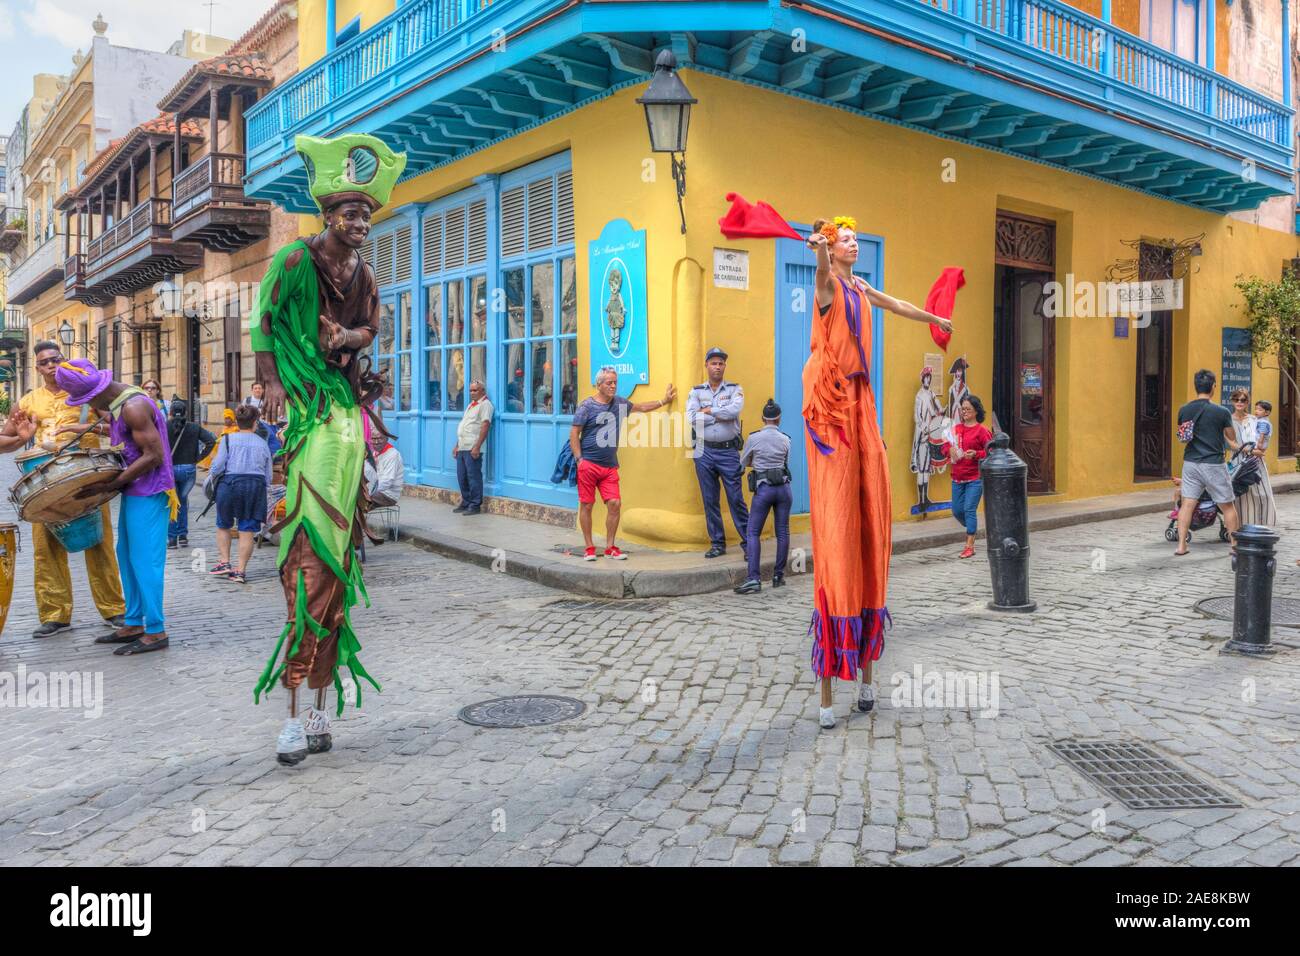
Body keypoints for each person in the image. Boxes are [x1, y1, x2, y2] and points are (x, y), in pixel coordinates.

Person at [251, 132, 405, 766]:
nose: (361, 223)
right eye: (351, 214)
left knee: (331, 590)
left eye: (367, 214)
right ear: (328, 216)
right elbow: (263, 320)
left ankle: (314, 716)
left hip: (341, 411)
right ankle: (294, 720)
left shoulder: (363, 272)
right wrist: (268, 382)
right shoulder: (294, 262)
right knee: (308, 582)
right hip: (311, 405)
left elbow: (372, 326)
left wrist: (348, 334)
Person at [803, 216, 954, 729]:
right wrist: (820, 248)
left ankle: (867, 680)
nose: (851, 242)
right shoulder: (827, 284)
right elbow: (821, 270)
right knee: (840, 538)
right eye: (844, 237)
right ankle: (826, 696)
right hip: (834, 406)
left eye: (851, 238)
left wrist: (936, 317)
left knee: (871, 526)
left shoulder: (863, 288)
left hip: (864, 406)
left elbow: (898, 306)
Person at [0, 340, 126, 638]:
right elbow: (3, 442)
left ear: (64, 360)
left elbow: (119, 427)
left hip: (87, 481)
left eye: (56, 359)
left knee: (100, 545)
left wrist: (87, 429)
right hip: (45, 487)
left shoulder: (88, 394)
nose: (51, 366)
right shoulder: (28, 402)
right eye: (44, 362)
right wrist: (22, 439)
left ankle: (114, 609)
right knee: (46, 550)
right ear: (37, 368)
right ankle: (55, 614)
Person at [54, 359, 176, 656]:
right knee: (127, 556)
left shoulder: (133, 407)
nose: (89, 404)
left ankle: (156, 630)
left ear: (97, 391)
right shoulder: (121, 402)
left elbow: (154, 455)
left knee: (146, 561)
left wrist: (111, 483)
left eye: (87, 400)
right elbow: (125, 438)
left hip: (152, 490)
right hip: (136, 489)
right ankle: (134, 622)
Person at [570, 365, 676, 561]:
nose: (613, 386)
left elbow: (641, 407)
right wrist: (580, 460)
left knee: (615, 504)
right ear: (599, 384)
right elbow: (574, 433)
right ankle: (589, 547)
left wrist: (664, 400)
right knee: (586, 505)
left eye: (615, 382)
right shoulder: (587, 406)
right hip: (588, 465)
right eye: (609, 383)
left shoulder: (620, 403)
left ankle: (610, 547)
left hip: (609, 465)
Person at [686, 347, 750, 558]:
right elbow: (692, 419)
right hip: (703, 452)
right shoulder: (696, 392)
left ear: (724, 366)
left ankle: (749, 542)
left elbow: (734, 411)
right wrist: (719, 415)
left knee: (735, 498)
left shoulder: (734, 389)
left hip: (728, 452)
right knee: (710, 499)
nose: (717, 366)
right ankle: (717, 543)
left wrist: (709, 411)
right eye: (713, 362)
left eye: (721, 363)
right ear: (707, 365)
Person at [1174, 369, 1241, 556]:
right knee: (1227, 505)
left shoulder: (1184, 409)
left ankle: (1181, 546)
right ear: (1213, 386)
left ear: (1196, 387)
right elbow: (1231, 438)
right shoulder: (1221, 411)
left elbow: (1183, 434)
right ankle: (1235, 546)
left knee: (1187, 504)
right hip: (1213, 463)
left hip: (1191, 462)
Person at [208, 404, 273, 585]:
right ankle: (240, 571)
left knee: (223, 524)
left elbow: (218, 466)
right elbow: (268, 474)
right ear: (255, 423)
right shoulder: (262, 443)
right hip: (255, 485)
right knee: (247, 530)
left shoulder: (228, 439)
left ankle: (224, 562)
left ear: (237, 422)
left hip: (230, 483)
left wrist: (212, 477)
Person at [734, 399, 792, 594]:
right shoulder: (786, 439)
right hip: (783, 488)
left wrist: (756, 462)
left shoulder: (754, 438)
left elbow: (743, 463)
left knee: (753, 532)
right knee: (782, 531)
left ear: (762, 418)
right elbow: (785, 461)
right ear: (779, 419)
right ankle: (778, 575)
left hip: (764, 488)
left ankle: (753, 578)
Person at [166, 399, 217, 549]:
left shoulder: (163, 426)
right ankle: (183, 536)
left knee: (172, 503)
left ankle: (172, 539)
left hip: (171, 469)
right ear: (186, 413)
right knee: (182, 501)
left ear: (170, 413)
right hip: (189, 468)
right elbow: (211, 441)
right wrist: (199, 458)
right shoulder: (194, 427)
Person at [949, 395, 992, 558]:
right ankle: (971, 529)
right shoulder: (956, 429)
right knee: (957, 511)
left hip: (975, 478)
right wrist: (949, 450)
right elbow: (947, 446)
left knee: (969, 509)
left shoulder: (982, 431)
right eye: (963, 409)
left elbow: (991, 452)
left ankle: (969, 545)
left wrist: (976, 454)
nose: (964, 412)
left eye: (968, 409)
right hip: (957, 477)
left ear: (976, 411)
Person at [1227, 389, 1277, 527]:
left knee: (1262, 493)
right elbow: (1230, 442)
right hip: (1238, 459)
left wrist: (1260, 450)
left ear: (1247, 402)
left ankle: (1261, 524)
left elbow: (1263, 436)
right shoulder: (1228, 420)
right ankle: (1240, 525)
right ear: (1232, 401)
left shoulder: (1254, 419)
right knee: (1241, 494)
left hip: (1255, 460)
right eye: (1236, 399)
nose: (1239, 402)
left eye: (1243, 400)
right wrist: (1249, 450)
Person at [452, 380, 493, 515]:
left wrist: (477, 446)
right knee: (461, 476)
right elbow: (465, 426)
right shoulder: (470, 405)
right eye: (470, 390)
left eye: (475, 390)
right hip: (463, 446)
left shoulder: (485, 405)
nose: (472, 393)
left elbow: (485, 425)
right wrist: (457, 445)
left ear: (482, 391)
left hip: (473, 447)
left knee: (473, 476)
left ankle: (475, 505)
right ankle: (466, 501)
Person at [910, 366, 945, 516]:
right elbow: (917, 416)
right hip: (923, 435)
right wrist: (923, 427)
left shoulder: (931, 393)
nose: (928, 380)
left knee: (927, 469)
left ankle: (926, 498)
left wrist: (941, 410)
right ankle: (922, 500)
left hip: (931, 433)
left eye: (929, 378)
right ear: (922, 378)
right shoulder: (919, 396)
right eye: (926, 378)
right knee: (922, 468)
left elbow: (937, 407)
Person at [366, 431, 405, 508]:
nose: (376, 442)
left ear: (387, 439)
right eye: (373, 439)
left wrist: (368, 490)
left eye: (380, 438)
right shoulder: (374, 453)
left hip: (388, 495)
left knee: (360, 499)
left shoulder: (393, 455)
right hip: (375, 490)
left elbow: (387, 481)